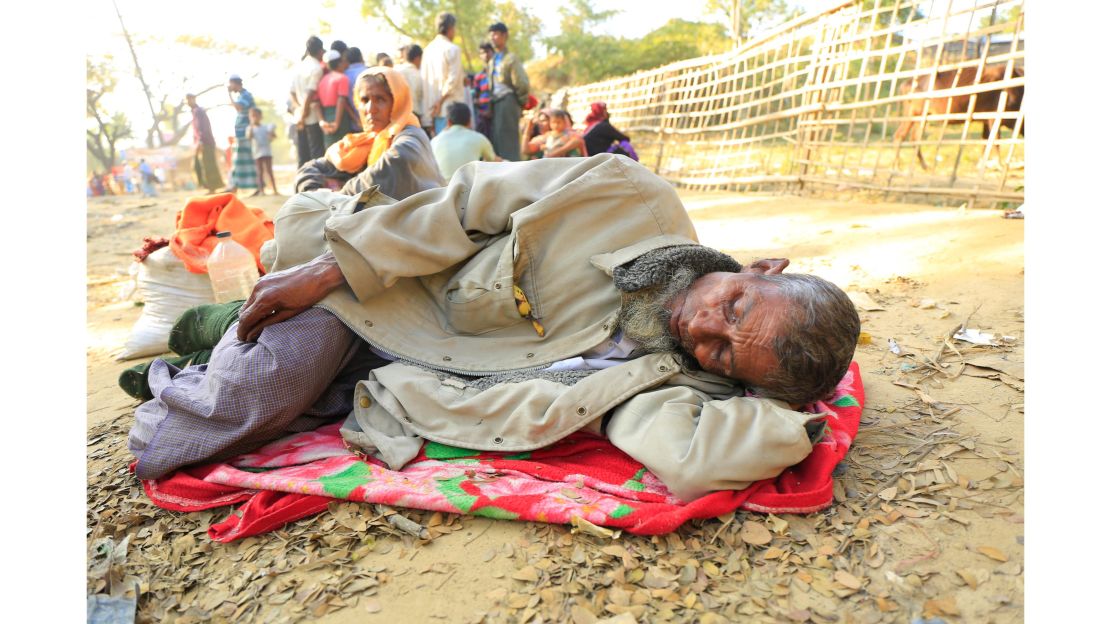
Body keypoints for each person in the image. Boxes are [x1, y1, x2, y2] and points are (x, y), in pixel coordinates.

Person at [126, 153, 861, 503]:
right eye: (734, 307)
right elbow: (464, 204)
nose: (703, 326)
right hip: (378, 291)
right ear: (762, 264)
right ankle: (322, 199)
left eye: (724, 354)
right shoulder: (627, 193)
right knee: (189, 434)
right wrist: (327, 272)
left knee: (269, 384)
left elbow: (694, 459)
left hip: (395, 374)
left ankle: (215, 327)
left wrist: (791, 415)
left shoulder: (674, 374)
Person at [294, 66, 444, 200]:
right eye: (365, 100)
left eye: (380, 99)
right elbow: (310, 169)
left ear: (397, 101)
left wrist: (335, 198)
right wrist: (313, 192)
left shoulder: (411, 137)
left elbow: (390, 168)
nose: (370, 109)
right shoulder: (367, 142)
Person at [486, 22, 530, 161]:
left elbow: (521, 82)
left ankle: (513, 173)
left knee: (509, 141)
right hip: (497, 102)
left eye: (496, 34)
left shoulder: (511, 58)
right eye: (491, 34)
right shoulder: (492, 60)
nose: (492, 37)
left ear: (504, 36)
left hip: (508, 100)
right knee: (498, 141)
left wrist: (520, 102)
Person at [420, 12, 466, 137]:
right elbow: (452, 81)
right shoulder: (452, 49)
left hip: (432, 113)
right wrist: (439, 102)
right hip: (451, 111)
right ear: (450, 28)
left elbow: (424, 81)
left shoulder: (427, 51)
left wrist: (432, 108)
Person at [430, 102, 498, 179]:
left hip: (441, 189)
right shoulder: (479, 138)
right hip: (469, 189)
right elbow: (494, 161)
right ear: (470, 121)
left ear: (448, 122)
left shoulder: (434, 141)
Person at [291, 36, 327, 166]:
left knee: (303, 155)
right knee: (316, 155)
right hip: (312, 117)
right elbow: (310, 92)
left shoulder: (299, 66)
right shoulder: (316, 68)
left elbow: (292, 92)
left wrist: (298, 111)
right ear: (320, 50)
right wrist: (304, 112)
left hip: (299, 117)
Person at [225, 74, 258, 193]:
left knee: (247, 159)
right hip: (241, 133)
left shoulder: (245, 95)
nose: (230, 87)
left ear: (236, 83)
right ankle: (235, 186)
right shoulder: (241, 95)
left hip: (246, 133)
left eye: (231, 84)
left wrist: (229, 95)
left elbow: (238, 107)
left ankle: (255, 187)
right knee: (240, 160)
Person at [318, 50, 356, 149]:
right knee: (343, 149)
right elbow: (342, 100)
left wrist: (322, 121)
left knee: (330, 149)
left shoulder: (323, 80)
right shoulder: (342, 78)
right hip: (340, 116)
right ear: (340, 63)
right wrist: (337, 123)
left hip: (326, 116)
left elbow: (317, 103)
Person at [187, 93, 224, 193]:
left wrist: (200, 142)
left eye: (189, 99)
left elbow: (201, 127)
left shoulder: (198, 111)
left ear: (193, 99)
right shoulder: (195, 112)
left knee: (207, 165)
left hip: (205, 142)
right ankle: (209, 187)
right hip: (202, 142)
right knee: (200, 165)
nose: (187, 102)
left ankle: (212, 188)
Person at [247, 107, 279, 196]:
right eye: (252, 116)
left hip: (267, 152)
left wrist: (271, 133)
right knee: (260, 172)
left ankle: (274, 189)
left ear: (260, 116)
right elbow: (249, 137)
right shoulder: (250, 128)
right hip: (257, 153)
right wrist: (251, 126)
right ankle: (261, 191)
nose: (254, 118)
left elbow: (273, 137)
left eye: (256, 116)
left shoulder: (266, 127)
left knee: (269, 171)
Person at [395, 44, 425, 127]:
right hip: (415, 115)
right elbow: (421, 97)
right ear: (418, 58)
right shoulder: (419, 75)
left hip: (397, 117)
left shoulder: (395, 71)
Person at [473, 43, 495, 140]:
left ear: (493, 53)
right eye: (482, 53)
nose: (485, 55)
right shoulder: (479, 76)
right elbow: (476, 96)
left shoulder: (498, 73)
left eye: (487, 52)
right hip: (483, 115)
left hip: (496, 114)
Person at [344, 48, 368, 120]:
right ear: (361, 57)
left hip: (355, 121)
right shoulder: (369, 71)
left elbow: (345, 101)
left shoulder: (344, 75)